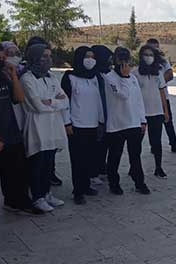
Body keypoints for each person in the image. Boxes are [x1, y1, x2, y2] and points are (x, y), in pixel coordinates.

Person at [20, 44, 68, 213]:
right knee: (37, 163)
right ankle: (37, 197)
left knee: (48, 163)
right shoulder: (27, 79)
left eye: (49, 56)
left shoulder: (52, 77)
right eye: (44, 56)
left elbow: (65, 101)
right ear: (34, 57)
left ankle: (46, 193)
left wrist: (51, 102)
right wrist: (54, 102)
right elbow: (37, 106)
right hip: (37, 127)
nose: (48, 59)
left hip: (53, 126)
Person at [0, 41, 32, 222]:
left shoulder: (3, 76)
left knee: (16, 172)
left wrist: (13, 75)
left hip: (10, 133)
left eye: (3, 58)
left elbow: (19, 98)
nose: (1, 61)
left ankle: (15, 202)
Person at [103, 47, 151, 195]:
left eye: (126, 59)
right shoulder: (109, 78)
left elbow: (138, 100)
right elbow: (122, 95)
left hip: (133, 123)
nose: (124, 63)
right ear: (115, 60)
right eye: (120, 59)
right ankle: (114, 183)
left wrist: (142, 120)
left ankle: (139, 182)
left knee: (135, 156)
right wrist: (123, 77)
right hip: (116, 125)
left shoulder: (133, 78)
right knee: (115, 156)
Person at [61, 46, 104, 205]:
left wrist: (101, 121)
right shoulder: (70, 77)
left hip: (92, 124)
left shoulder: (95, 77)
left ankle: (86, 186)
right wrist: (67, 122)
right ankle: (78, 190)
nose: (90, 59)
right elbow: (64, 101)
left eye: (93, 56)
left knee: (89, 158)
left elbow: (99, 100)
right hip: (76, 125)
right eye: (87, 56)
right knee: (77, 159)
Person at [132, 45, 170, 179]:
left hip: (156, 112)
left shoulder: (158, 72)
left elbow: (162, 92)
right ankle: (134, 167)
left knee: (156, 142)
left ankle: (158, 167)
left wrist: (165, 111)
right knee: (137, 143)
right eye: (146, 54)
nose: (148, 57)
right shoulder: (135, 73)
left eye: (151, 55)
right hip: (140, 114)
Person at [146, 38, 176, 153]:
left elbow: (170, 74)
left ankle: (173, 143)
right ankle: (154, 146)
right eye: (152, 47)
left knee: (168, 120)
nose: (154, 50)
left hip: (163, 96)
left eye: (156, 47)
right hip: (148, 99)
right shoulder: (143, 62)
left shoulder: (163, 60)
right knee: (152, 124)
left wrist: (158, 83)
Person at [91, 45, 113, 183]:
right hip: (97, 115)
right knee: (96, 144)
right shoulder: (94, 75)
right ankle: (93, 171)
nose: (110, 62)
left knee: (105, 143)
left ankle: (101, 167)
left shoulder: (107, 73)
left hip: (109, 114)